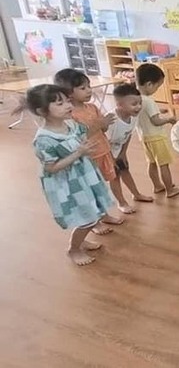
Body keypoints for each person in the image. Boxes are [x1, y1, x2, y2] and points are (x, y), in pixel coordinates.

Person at [24, 84, 114, 266]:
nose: (68, 106)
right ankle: (73, 249)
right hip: (68, 185)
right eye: (60, 104)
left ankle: (81, 241)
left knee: (93, 212)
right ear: (42, 111)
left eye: (67, 101)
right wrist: (78, 153)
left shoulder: (71, 124)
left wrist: (98, 128)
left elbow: (83, 136)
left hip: (84, 177)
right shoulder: (43, 139)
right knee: (88, 218)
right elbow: (51, 168)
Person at [54, 68, 123, 231]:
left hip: (103, 151)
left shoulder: (92, 107)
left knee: (102, 187)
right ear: (69, 93)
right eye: (83, 88)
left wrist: (105, 124)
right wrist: (99, 124)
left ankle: (105, 214)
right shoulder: (69, 114)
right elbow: (79, 137)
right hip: (87, 158)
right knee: (90, 189)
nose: (89, 90)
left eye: (89, 86)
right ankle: (94, 222)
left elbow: (103, 129)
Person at [135, 63, 179, 198]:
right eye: (157, 86)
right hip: (156, 137)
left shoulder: (136, 99)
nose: (157, 89)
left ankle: (157, 185)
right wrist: (169, 120)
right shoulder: (148, 101)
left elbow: (146, 113)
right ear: (149, 84)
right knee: (164, 164)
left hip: (144, 137)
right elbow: (155, 121)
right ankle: (170, 190)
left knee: (151, 163)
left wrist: (158, 110)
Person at [106, 83, 153, 214]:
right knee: (114, 177)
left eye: (140, 103)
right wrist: (111, 160)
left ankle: (136, 194)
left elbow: (128, 135)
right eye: (134, 104)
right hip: (105, 152)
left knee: (125, 170)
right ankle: (121, 203)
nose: (138, 107)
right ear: (119, 105)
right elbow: (103, 142)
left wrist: (123, 154)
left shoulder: (133, 117)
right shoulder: (111, 120)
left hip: (118, 149)